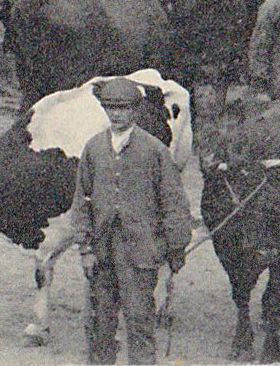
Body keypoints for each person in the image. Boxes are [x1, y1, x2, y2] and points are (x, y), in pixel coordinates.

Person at [70, 77, 192, 365]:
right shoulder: (93, 149)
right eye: (111, 108)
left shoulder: (154, 151)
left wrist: (174, 249)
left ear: (136, 111)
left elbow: (175, 204)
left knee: (139, 321)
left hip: (140, 255)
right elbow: (81, 201)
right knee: (100, 324)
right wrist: (85, 249)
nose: (117, 114)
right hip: (102, 254)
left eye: (123, 108)